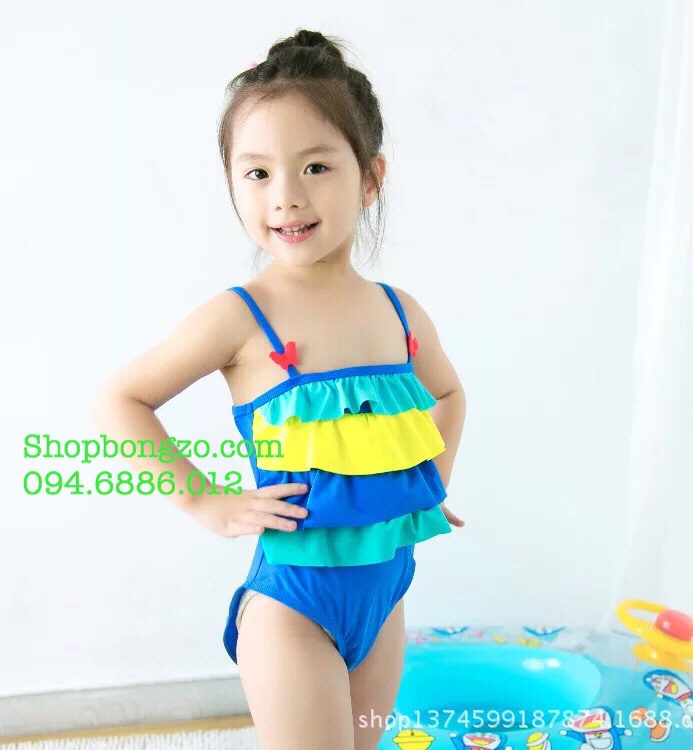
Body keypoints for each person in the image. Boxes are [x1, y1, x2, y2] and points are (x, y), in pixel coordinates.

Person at [92, 28, 466, 750]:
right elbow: (121, 400)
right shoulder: (240, 317)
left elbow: (450, 396)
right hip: (294, 605)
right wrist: (202, 499)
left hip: (387, 594)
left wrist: (428, 483)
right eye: (258, 173)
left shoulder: (400, 314)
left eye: (316, 166)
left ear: (371, 177)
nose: (286, 197)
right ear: (232, 185)